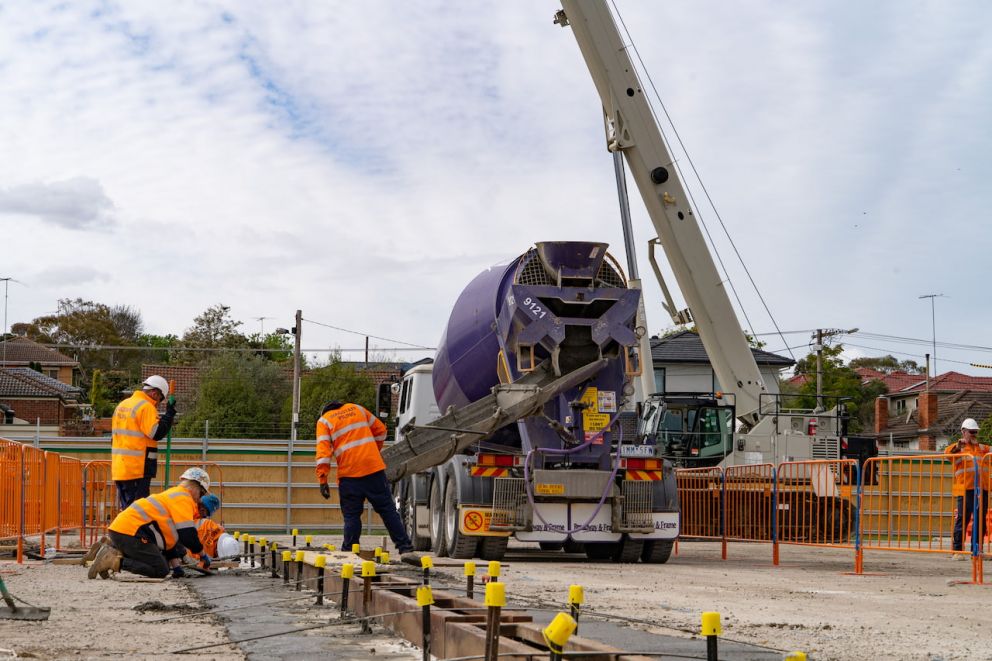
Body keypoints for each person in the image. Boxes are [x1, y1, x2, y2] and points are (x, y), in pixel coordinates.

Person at [315, 401, 413, 556]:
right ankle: (405, 549)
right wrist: (372, 452)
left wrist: (322, 479)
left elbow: (323, 452)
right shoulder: (357, 409)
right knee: (388, 510)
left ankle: (349, 552)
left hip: (349, 475)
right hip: (373, 469)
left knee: (351, 516)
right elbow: (381, 431)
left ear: (325, 411)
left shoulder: (324, 420)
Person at [87, 468, 210, 579]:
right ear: (194, 487)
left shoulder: (174, 494)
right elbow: (187, 535)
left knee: (160, 562)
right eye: (202, 493)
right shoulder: (184, 499)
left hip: (123, 530)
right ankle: (112, 560)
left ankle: (109, 551)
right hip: (130, 532)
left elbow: (169, 540)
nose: (200, 499)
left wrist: (177, 568)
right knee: (160, 569)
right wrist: (202, 554)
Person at [111, 375, 176, 509]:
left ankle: (125, 530)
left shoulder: (122, 405)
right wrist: (169, 414)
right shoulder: (146, 407)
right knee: (138, 511)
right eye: (159, 399)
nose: (158, 404)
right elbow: (156, 433)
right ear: (154, 393)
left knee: (127, 510)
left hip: (120, 468)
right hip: (138, 469)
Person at [944, 418, 990, 557]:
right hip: (964, 489)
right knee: (962, 519)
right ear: (964, 432)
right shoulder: (957, 449)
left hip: (982, 489)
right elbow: (947, 454)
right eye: (971, 432)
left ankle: (977, 550)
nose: (974, 434)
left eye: (975, 432)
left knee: (980, 520)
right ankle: (957, 551)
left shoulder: (983, 449)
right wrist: (958, 446)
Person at [189, 493, 224, 568]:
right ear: (203, 508)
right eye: (206, 512)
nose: (205, 515)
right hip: (197, 560)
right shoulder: (207, 523)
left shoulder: (190, 512)